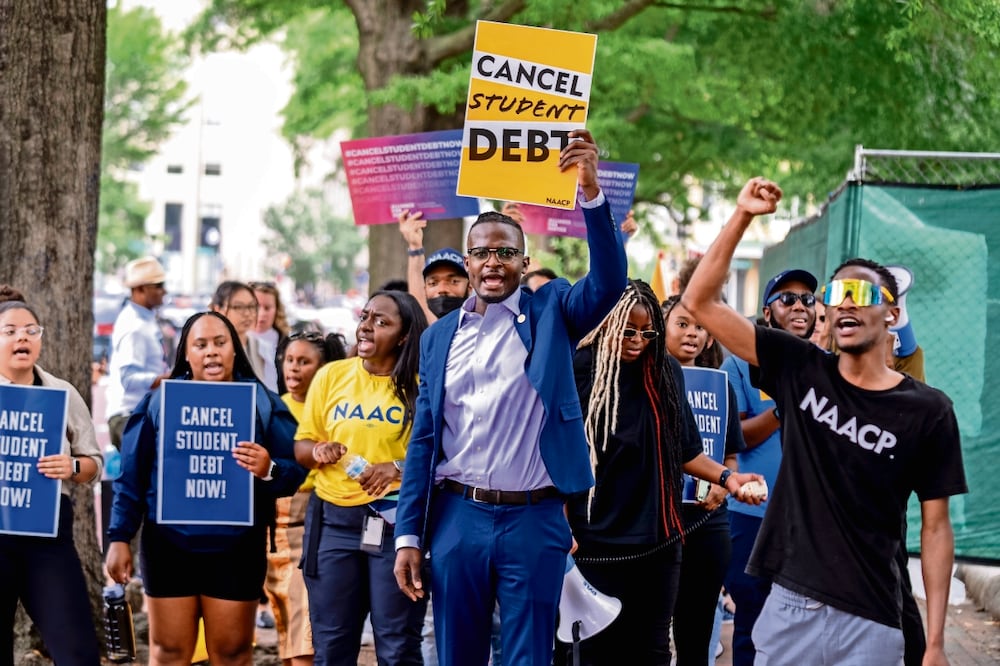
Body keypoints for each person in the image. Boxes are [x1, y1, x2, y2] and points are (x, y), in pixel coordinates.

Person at [682, 177, 967, 665]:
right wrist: (743, 216)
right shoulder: (800, 367)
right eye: (836, 293)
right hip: (791, 603)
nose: (846, 301)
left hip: (874, 614)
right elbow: (701, 301)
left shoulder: (929, 410)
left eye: (861, 291)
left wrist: (937, 642)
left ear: (892, 312)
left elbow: (936, 528)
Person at [392, 129, 623, 666]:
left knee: (528, 658)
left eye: (505, 252)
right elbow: (424, 439)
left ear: (523, 261)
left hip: (534, 519)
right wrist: (408, 532)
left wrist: (590, 189)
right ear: (468, 263)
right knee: (457, 656)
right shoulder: (437, 337)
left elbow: (610, 282)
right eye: (481, 253)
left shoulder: (553, 310)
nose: (492, 261)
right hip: (457, 518)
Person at [553, 281, 761, 666]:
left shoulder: (665, 371)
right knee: (592, 650)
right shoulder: (579, 368)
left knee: (651, 650)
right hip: (595, 542)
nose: (637, 340)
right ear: (607, 323)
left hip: (659, 541)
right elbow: (552, 454)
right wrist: (560, 522)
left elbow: (687, 450)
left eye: (647, 332)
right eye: (627, 331)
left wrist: (729, 479)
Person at [106, 311, 306, 665]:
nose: (211, 352)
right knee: (169, 653)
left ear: (234, 350)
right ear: (186, 353)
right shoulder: (159, 402)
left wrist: (269, 468)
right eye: (200, 345)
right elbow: (132, 477)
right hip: (168, 546)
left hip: (236, 547)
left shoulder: (260, 402)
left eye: (219, 343)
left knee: (231, 654)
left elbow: (296, 469)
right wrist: (120, 537)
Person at [294, 290, 429, 665]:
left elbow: (442, 455)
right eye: (365, 316)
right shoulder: (332, 375)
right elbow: (302, 445)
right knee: (332, 644)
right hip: (334, 523)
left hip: (396, 523)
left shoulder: (421, 384)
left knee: (397, 645)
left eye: (382, 322)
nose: (366, 327)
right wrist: (317, 452)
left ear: (404, 336)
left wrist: (397, 468)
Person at [717, 265, 818, 666]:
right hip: (752, 516)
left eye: (808, 300)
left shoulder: (827, 365)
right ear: (767, 311)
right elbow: (736, 435)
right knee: (753, 624)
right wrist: (784, 405)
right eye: (787, 299)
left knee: (807, 628)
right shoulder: (739, 366)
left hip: (811, 520)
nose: (799, 306)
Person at [0, 297, 104, 665]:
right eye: (9, 331)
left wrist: (72, 467)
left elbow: (94, 462)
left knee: (76, 650)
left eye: (31, 330)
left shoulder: (61, 393)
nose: (21, 338)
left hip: (47, 538)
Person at [661, 295, 746, 665]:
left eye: (700, 327)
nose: (692, 333)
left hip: (707, 521)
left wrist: (721, 484)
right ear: (661, 327)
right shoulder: (645, 382)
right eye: (682, 324)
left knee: (696, 634)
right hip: (657, 523)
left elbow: (730, 452)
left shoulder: (721, 386)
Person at [264, 330, 348, 666]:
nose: (293, 369)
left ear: (325, 367)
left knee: (306, 634)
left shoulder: (335, 411)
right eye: (289, 360)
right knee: (288, 630)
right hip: (272, 531)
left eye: (304, 362)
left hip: (312, 524)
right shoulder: (271, 408)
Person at [106, 255, 171, 450]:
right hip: (129, 418)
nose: (163, 291)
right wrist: (166, 379)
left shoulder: (143, 319)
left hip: (138, 417)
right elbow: (129, 379)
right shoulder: (134, 325)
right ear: (140, 289)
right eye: (158, 285)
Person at [399, 211, 471, 323]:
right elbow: (418, 304)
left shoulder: (484, 327)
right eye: (433, 283)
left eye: (454, 281)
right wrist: (414, 246)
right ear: (424, 290)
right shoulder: (429, 334)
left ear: (470, 287)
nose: (442, 290)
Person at [211, 281, 274, 390]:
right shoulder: (208, 350)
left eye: (251, 306)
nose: (247, 314)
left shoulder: (263, 349)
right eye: (238, 307)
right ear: (218, 309)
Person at [250, 280, 291, 394]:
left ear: (276, 310)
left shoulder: (287, 345)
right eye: (256, 306)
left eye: (267, 308)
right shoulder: (233, 341)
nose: (261, 313)